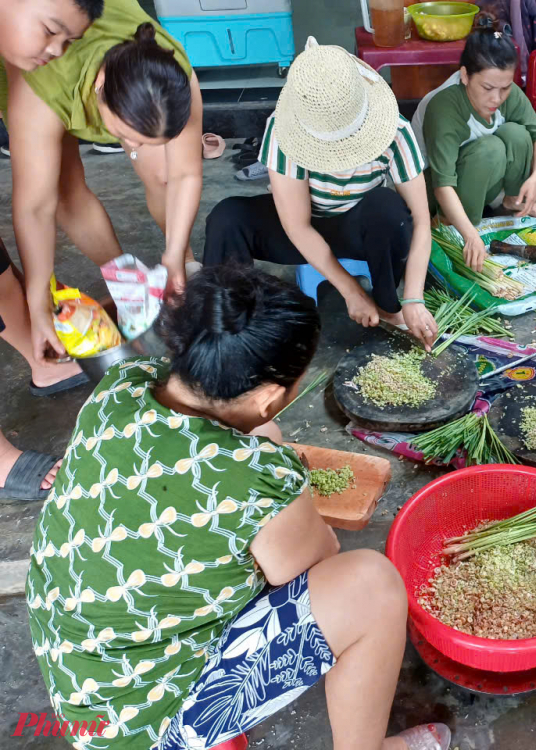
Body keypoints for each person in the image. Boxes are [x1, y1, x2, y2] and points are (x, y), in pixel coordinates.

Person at [26, 265, 451, 750]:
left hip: (83, 688)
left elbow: (237, 440)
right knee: (372, 586)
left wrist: (270, 462)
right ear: (272, 395)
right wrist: (291, 499)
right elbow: (311, 567)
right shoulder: (258, 478)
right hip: (145, 730)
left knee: (262, 445)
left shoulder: (121, 386)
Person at [203, 39, 439, 352]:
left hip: (359, 229)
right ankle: (230, 333)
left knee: (388, 209)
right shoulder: (283, 129)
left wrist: (414, 297)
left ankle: (389, 306)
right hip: (303, 230)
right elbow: (297, 226)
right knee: (226, 218)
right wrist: (351, 291)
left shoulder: (394, 129)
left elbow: (422, 221)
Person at [2, 0, 203, 366]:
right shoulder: (40, 87)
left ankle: (183, 267)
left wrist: (175, 253)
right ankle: (128, 284)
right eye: (126, 137)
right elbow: (36, 207)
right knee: (63, 191)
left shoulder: (171, 67)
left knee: (161, 172)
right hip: (47, 80)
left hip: (90, 39)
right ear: (99, 90)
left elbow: (186, 173)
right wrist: (38, 302)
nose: (133, 149)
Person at [0, 0, 104, 500]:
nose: (54, 51)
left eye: (66, 43)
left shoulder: (25, 57)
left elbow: (47, 196)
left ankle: (40, 358)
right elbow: (37, 206)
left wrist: (40, 305)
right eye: (49, 31)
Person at [412, 14, 536, 273]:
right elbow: (442, 185)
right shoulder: (444, 107)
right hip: (429, 188)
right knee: (491, 150)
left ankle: (513, 201)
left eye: (505, 88)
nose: (497, 97)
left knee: (518, 134)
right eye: (487, 88)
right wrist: (470, 236)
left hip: (474, 175)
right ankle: (446, 221)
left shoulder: (504, 90)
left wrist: (534, 179)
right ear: (464, 75)